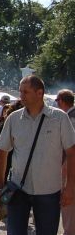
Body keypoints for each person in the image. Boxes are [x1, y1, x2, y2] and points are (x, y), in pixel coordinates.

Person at [0, 76, 75, 234]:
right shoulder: (14, 118)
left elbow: (72, 153)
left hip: (49, 192)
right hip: (18, 189)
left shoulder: (59, 118)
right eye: (20, 91)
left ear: (40, 93)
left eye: (25, 92)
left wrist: (70, 187)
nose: (21, 96)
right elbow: (1, 151)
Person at [56, 89, 75, 235]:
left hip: (69, 164)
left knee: (69, 202)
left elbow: (69, 148)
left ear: (61, 101)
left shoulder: (68, 118)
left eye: (57, 101)